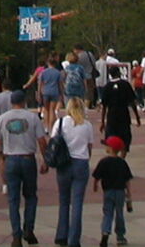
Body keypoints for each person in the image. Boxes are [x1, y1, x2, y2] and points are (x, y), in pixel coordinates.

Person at [0, 89, 48, 247]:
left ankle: (16, 235)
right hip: (28, 158)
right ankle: (28, 228)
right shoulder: (32, 117)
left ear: (11, 103)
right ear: (24, 102)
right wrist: (46, 160)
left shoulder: (3, 118)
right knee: (30, 196)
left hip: (10, 160)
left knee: (13, 199)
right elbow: (42, 140)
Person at [52, 96, 93, 247]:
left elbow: (53, 140)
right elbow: (89, 146)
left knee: (63, 200)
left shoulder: (61, 123)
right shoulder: (87, 125)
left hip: (64, 163)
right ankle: (74, 239)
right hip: (81, 162)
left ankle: (61, 234)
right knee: (77, 203)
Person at [91, 136, 133, 247]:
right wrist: (129, 195)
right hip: (120, 192)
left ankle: (105, 232)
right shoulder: (122, 163)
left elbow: (96, 176)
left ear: (110, 148)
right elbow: (127, 180)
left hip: (108, 191)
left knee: (107, 213)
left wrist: (95, 185)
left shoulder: (104, 162)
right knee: (119, 214)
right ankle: (120, 236)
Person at [99, 65, 140, 155]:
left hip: (111, 116)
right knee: (125, 138)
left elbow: (104, 106)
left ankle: (113, 156)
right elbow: (132, 102)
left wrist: (102, 121)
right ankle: (122, 157)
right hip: (124, 114)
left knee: (111, 138)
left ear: (110, 75)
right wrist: (137, 117)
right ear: (119, 73)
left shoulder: (107, 86)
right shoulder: (125, 84)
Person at [37, 54, 63, 125]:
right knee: (52, 110)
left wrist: (39, 94)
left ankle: (46, 127)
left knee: (46, 110)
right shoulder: (58, 73)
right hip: (54, 92)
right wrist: (61, 94)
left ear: (48, 63)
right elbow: (60, 85)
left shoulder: (43, 72)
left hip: (46, 92)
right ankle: (51, 127)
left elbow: (40, 84)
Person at [72, 44, 96, 108]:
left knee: (80, 94)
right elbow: (94, 63)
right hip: (90, 75)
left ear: (77, 50)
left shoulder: (77, 57)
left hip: (80, 77)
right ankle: (86, 107)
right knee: (88, 94)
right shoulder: (89, 54)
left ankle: (81, 107)